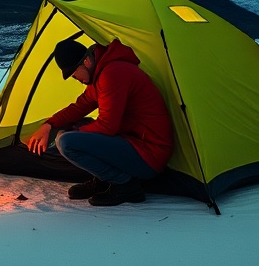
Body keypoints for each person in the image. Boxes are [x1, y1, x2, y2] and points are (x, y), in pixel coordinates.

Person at [26, 37, 174, 206]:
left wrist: (76, 134)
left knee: (67, 141)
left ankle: (125, 185)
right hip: (132, 143)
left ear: (87, 61)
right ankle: (104, 179)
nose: (76, 78)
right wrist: (49, 125)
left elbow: (108, 126)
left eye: (74, 73)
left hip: (149, 154)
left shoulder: (112, 73)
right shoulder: (101, 73)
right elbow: (79, 107)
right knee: (75, 127)